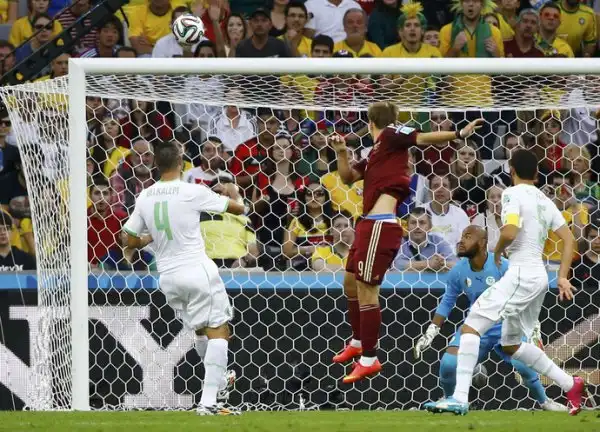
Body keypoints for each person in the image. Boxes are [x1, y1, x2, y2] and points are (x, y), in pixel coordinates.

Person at [423, 149, 587, 416]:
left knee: (471, 326)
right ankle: (571, 384)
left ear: (511, 170)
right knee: (512, 345)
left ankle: (459, 399)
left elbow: (509, 231)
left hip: (520, 274)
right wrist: (561, 276)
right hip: (539, 277)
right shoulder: (545, 200)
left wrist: (498, 250)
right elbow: (569, 240)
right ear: (536, 173)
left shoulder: (511, 194)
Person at [329, 100, 483, 383]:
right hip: (366, 225)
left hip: (380, 225)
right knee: (350, 283)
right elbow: (348, 177)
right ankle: (357, 342)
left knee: (367, 290)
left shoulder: (390, 135)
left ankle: (369, 359)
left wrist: (459, 134)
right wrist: (340, 152)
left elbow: (422, 137)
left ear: (369, 122)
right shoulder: (377, 152)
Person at [123, 140, 244, 416]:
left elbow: (127, 238)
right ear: (181, 163)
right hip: (197, 270)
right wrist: (234, 192)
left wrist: (147, 239)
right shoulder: (192, 191)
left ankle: (219, 382)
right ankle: (209, 402)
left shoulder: (145, 196)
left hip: (168, 277)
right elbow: (238, 210)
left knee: (201, 330)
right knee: (219, 332)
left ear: (156, 164)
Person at [416, 225, 566, 412]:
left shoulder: (503, 266)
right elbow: (447, 301)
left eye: (467, 237)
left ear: (482, 243)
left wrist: (533, 327)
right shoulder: (458, 271)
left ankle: (545, 402)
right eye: (462, 236)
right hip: (476, 326)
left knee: (524, 366)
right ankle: (449, 400)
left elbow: (525, 295)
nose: (461, 241)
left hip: (506, 325)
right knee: (448, 365)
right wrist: (431, 331)